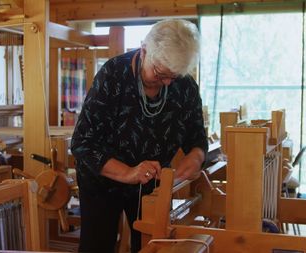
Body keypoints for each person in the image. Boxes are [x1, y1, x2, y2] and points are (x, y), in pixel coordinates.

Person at [71, 19, 208, 253]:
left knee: (150, 245)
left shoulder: (184, 86)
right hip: (103, 180)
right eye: (160, 73)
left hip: (151, 183)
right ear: (144, 51)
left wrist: (194, 158)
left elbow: (196, 137)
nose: (165, 83)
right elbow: (83, 143)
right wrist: (128, 172)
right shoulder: (113, 75)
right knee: (97, 245)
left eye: (172, 77)